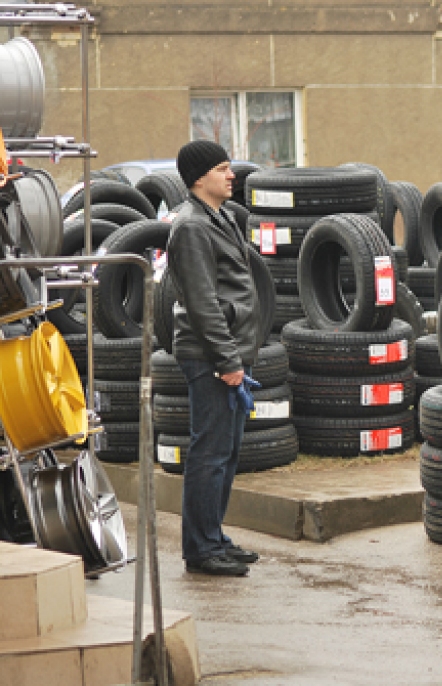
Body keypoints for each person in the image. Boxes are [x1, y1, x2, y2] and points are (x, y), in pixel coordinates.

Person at [167, 140, 262, 577]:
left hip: (230, 350)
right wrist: (227, 362)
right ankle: (201, 549)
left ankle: (214, 536)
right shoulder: (191, 227)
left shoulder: (220, 217)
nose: (232, 175)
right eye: (222, 168)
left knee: (226, 450)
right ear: (199, 178)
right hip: (209, 355)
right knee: (209, 453)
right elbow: (203, 303)